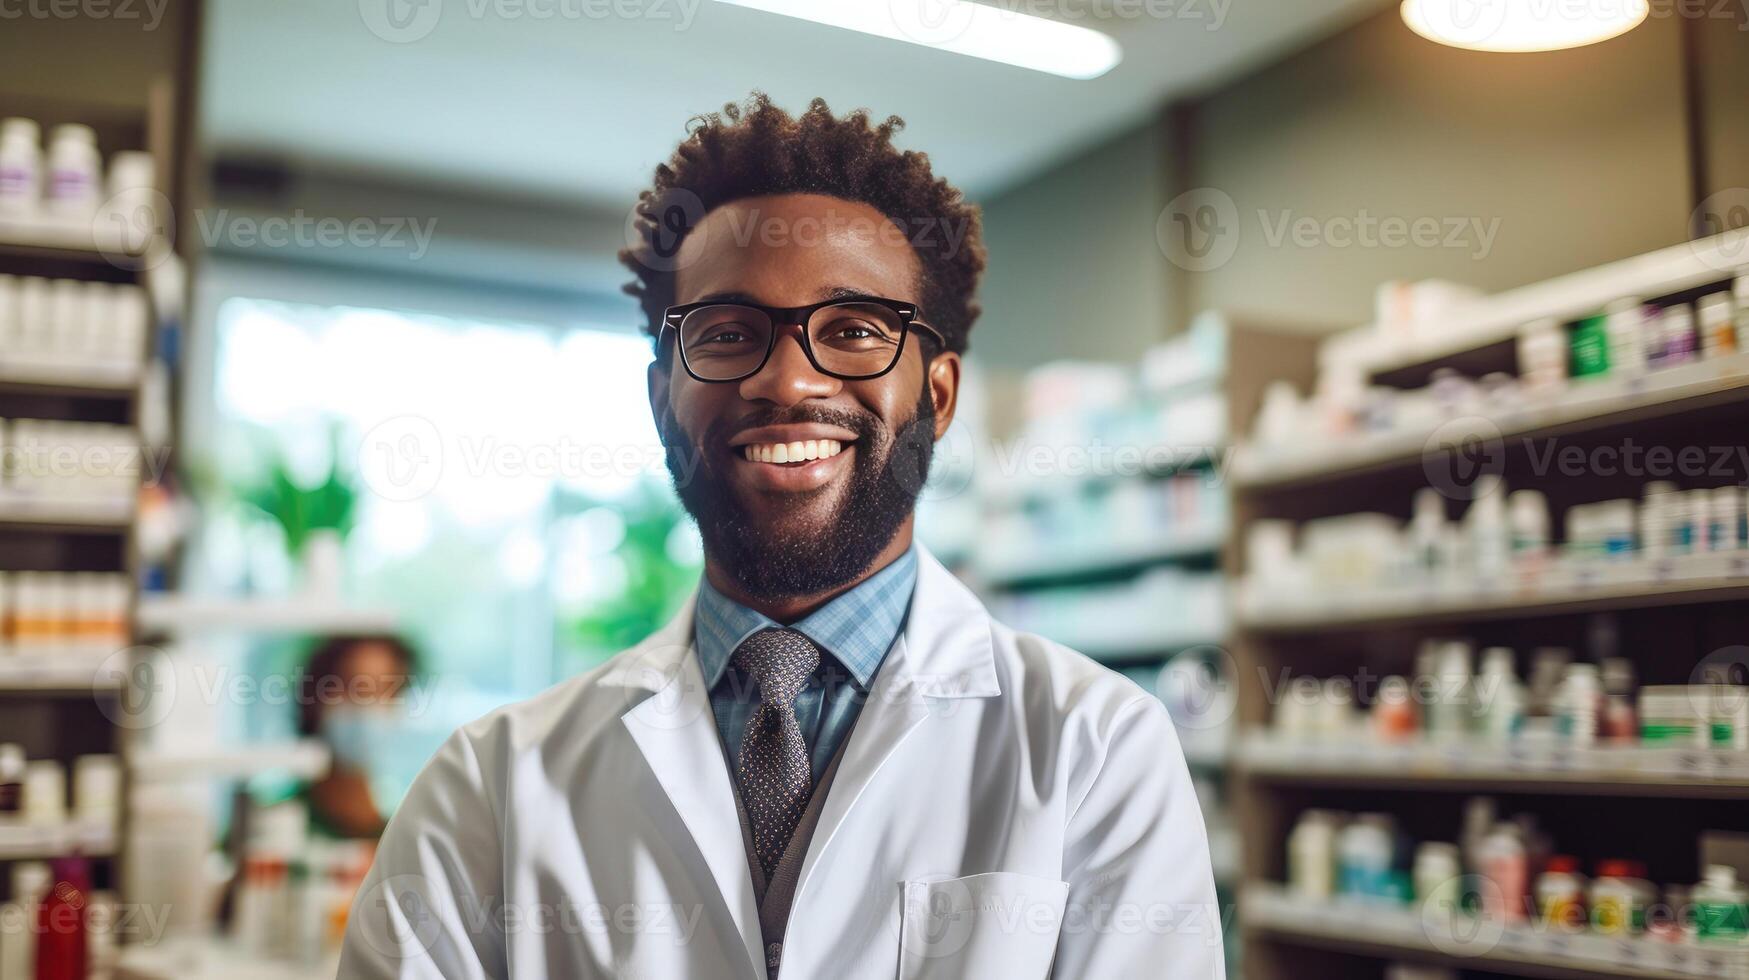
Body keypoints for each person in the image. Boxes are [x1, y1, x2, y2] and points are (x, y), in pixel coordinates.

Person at [340, 93, 1223, 979]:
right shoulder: (489, 789)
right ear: (661, 401)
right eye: (727, 334)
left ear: (940, 396)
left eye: (853, 331)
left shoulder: (1097, 751)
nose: (789, 380)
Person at [295, 634, 418, 839]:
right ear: (315, 699)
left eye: (382, 689)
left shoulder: (400, 838)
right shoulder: (270, 825)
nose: (365, 704)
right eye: (350, 685)